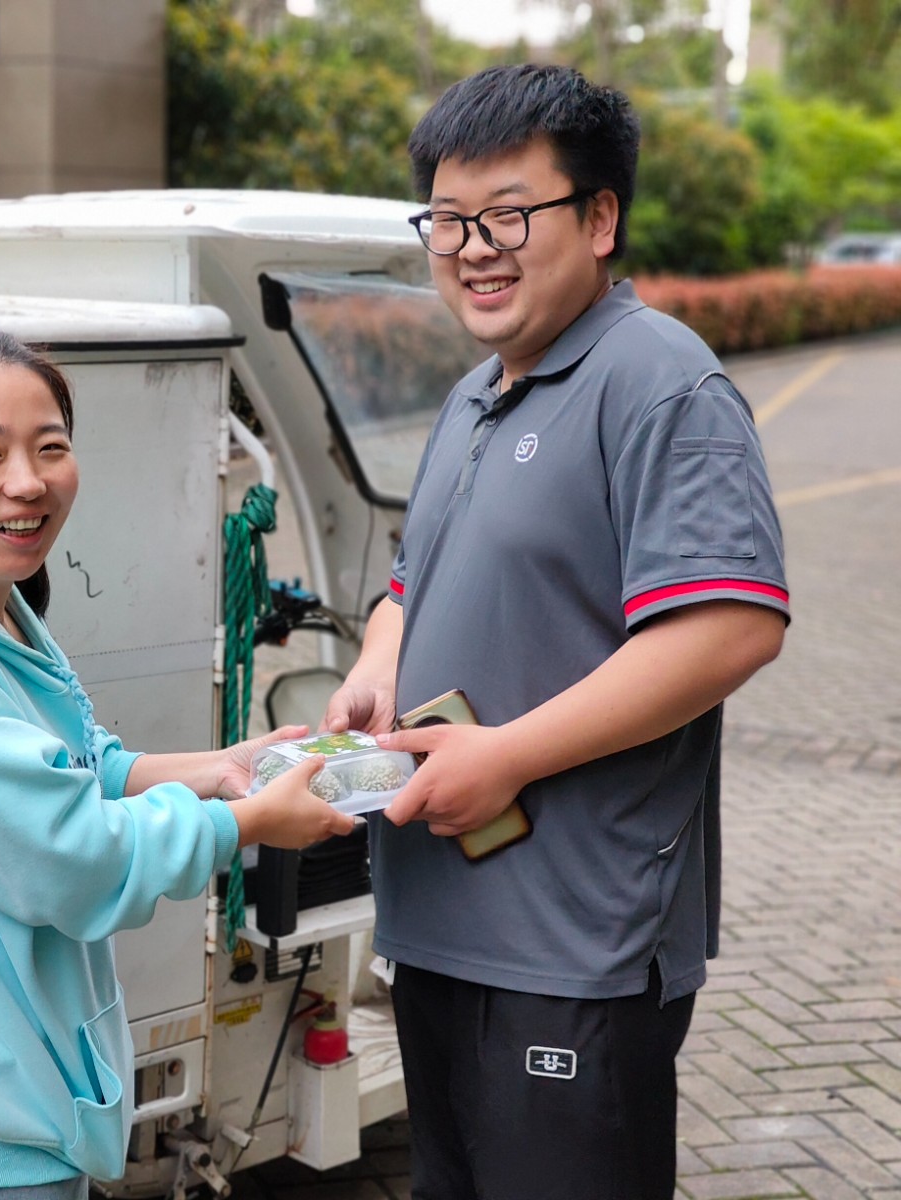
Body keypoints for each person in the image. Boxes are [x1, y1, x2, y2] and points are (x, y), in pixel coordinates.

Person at [324, 66, 790, 1198]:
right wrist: (379, 664)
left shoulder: (660, 382)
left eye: (508, 215)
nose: (473, 248)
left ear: (599, 218)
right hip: (442, 924)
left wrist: (507, 756)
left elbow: (729, 626)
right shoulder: (476, 394)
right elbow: (411, 578)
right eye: (447, 220)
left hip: (572, 945)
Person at [0, 329, 354, 1196]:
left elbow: (73, 768)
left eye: (50, 447)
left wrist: (223, 767)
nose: (28, 481)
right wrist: (244, 823)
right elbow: (70, 857)